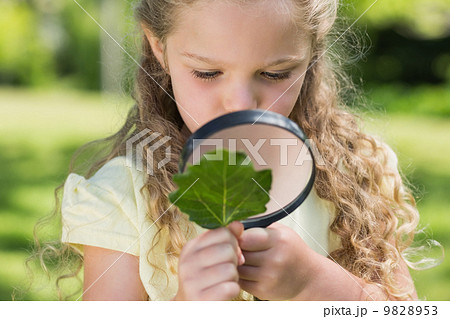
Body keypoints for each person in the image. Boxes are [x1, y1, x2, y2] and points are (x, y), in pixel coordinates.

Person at [40, 0, 424, 301]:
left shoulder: (356, 170)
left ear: (312, 54)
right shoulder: (121, 198)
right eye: (208, 73)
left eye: (275, 74)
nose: (241, 103)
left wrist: (315, 282)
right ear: (159, 48)